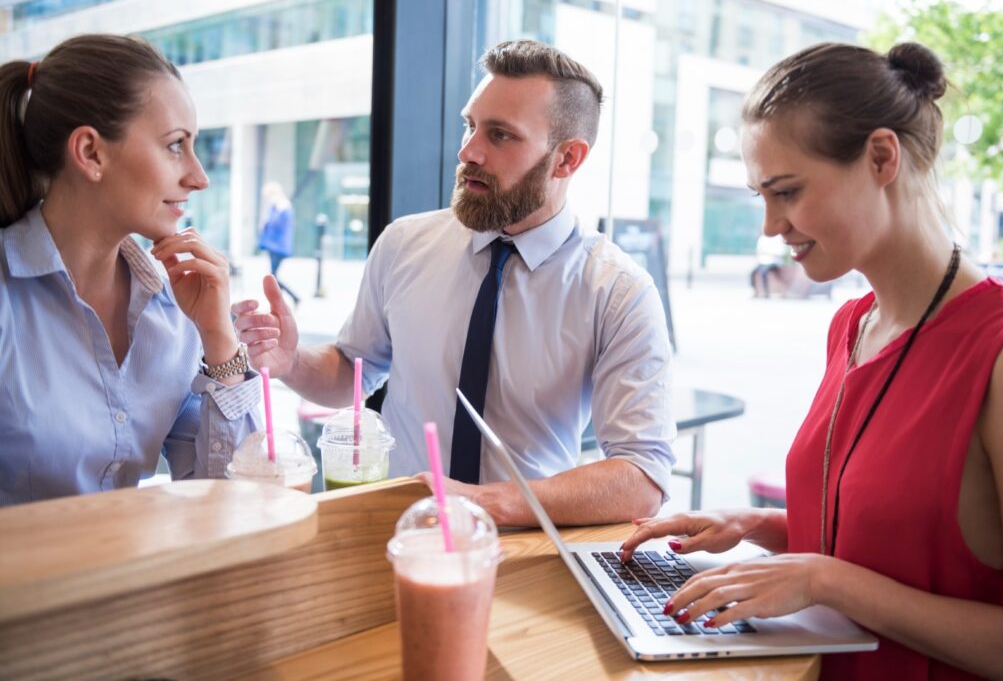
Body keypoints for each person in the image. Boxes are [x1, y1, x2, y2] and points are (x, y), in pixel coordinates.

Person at [620, 42, 1003, 679]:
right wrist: (758, 525)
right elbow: (886, 538)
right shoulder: (851, 325)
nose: (769, 226)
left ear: (882, 158)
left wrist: (823, 580)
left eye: (786, 192)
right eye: (761, 195)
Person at [234, 40, 675, 526]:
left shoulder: (618, 292)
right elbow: (352, 374)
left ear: (566, 159)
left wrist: (491, 503)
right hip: (397, 531)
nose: (469, 151)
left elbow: (642, 477)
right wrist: (292, 360)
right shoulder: (404, 243)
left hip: (526, 544)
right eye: (470, 126)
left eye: (501, 135)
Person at [0, 34, 262, 506]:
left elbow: (224, 500)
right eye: (175, 146)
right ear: (91, 153)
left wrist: (219, 337)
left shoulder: (172, 309)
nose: (199, 177)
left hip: (131, 577)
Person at [258, 181, 301, 306]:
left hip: (278, 247)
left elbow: (273, 224)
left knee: (273, 278)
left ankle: (291, 298)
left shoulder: (282, 207)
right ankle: (286, 299)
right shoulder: (277, 207)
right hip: (275, 247)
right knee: (273, 277)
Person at [750, 233, 785, 297]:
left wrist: (768, 253)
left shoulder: (778, 238)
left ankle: (766, 292)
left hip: (773, 262)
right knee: (752, 272)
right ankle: (755, 291)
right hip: (762, 262)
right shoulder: (762, 238)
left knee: (764, 272)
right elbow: (759, 251)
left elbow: (780, 253)